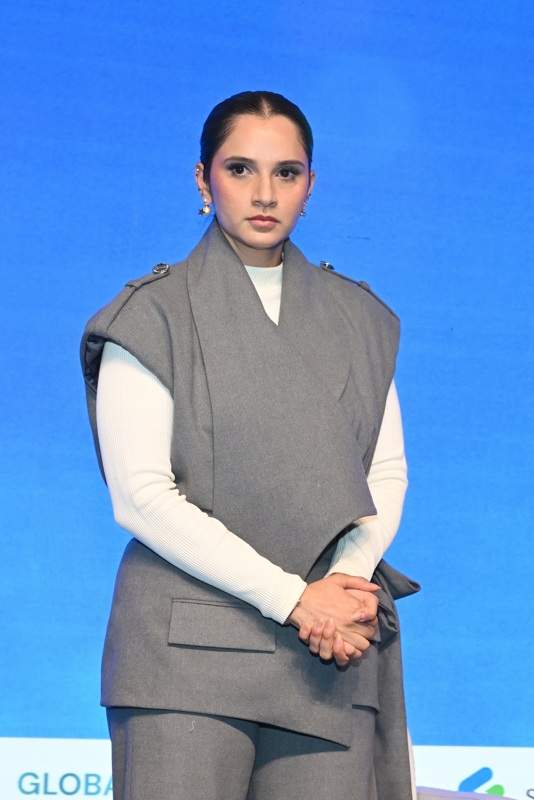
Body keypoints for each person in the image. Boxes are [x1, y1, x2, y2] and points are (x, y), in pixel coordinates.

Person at [80, 91, 417, 800]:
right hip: (188, 657)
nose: (265, 193)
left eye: (286, 173)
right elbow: (141, 497)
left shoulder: (362, 319)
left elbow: (383, 474)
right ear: (203, 180)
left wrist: (345, 586)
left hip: (328, 655)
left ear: (310, 185)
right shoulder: (151, 315)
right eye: (240, 169)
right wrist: (297, 600)